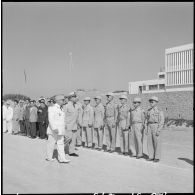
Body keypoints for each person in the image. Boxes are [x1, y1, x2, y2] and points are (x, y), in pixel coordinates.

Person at [46, 94, 70, 163]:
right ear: (58, 100)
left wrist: (64, 127)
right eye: (62, 100)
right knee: (51, 144)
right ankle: (49, 157)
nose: (63, 101)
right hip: (54, 130)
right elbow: (50, 119)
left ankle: (62, 158)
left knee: (61, 144)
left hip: (61, 130)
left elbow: (62, 119)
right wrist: (54, 128)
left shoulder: (61, 108)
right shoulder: (51, 108)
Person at [145, 96, 164, 163]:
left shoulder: (159, 111)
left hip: (156, 126)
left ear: (156, 102)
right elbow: (146, 120)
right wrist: (146, 129)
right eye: (150, 102)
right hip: (150, 125)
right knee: (149, 142)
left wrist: (159, 130)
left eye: (152, 101)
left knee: (157, 142)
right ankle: (151, 156)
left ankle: (157, 157)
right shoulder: (148, 110)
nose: (151, 103)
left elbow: (161, 121)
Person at [64, 92, 79, 157]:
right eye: (74, 97)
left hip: (74, 125)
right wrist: (64, 125)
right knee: (68, 139)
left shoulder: (76, 105)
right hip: (68, 125)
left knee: (73, 139)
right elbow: (63, 116)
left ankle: (71, 152)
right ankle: (60, 149)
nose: (75, 98)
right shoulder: (66, 106)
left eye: (75, 96)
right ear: (70, 98)